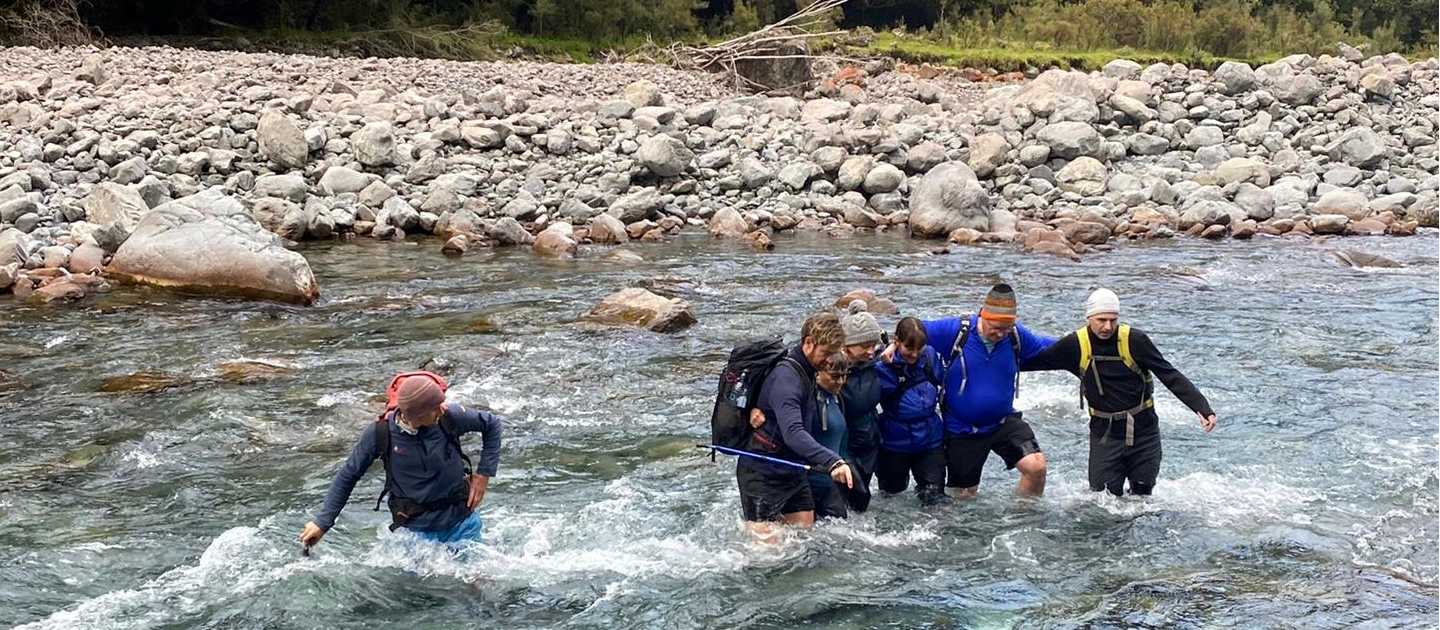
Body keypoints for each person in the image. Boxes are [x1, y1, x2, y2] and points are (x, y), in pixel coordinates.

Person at [1021, 288, 1218, 496]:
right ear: (1089, 317)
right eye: (1101, 320)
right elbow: (1034, 362)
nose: (1108, 326)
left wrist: (1202, 408)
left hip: (1144, 433)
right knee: (1102, 498)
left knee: (1142, 497)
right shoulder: (1075, 345)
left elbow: (1169, 374)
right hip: (1104, 436)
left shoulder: (1135, 341)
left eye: (1113, 320)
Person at [299, 375, 503, 549]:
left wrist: (483, 475)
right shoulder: (380, 434)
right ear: (417, 415)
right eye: (436, 408)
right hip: (414, 532)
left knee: (476, 585)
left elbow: (492, 424)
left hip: (461, 522)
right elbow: (348, 476)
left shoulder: (449, 417)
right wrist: (322, 523)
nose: (443, 409)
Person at [893, 283, 1055, 499]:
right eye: (995, 327)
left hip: (1002, 422)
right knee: (964, 497)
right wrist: (890, 346)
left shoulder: (1016, 336)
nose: (1000, 333)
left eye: (1005, 328)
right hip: (963, 429)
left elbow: (1050, 348)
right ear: (983, 315)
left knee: (1036, 468)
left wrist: (1081, 349)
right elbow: (913, 329)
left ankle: (1024, 519)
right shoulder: (956, 331)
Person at [738, 312, 856, 540]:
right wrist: (833, 461)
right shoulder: (787, 379)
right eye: (826, 353)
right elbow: (793, 433)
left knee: (801, 538)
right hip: (762, 472)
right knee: (767, 551)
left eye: (834, 352)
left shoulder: (807, 368)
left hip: (793, 468)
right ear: (809, 343)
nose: (830, 360)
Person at [874, 317, 947, 505]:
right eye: (909, 348)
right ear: (897, 342)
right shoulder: (882, 367)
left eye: (919, 348)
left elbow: (947, 380)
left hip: (931, 440)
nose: (914, 354)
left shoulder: (930, 357)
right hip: (894, 443)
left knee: (934, 496)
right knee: (891, 497)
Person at [838, 301, 884, 512]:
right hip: (843, 445)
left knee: (861, 503)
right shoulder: (831, 369)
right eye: (864, 346)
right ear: (845, 346)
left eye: (873, 344)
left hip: (869, 439)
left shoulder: (878, 360)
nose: (870, 351)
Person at [808, 352, 854, 519]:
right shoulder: (807, 399)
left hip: (831, 483)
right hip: (806, 485)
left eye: (844, 376)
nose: (841, 382)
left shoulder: (836, 398)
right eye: (835, 376)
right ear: (817, 373)